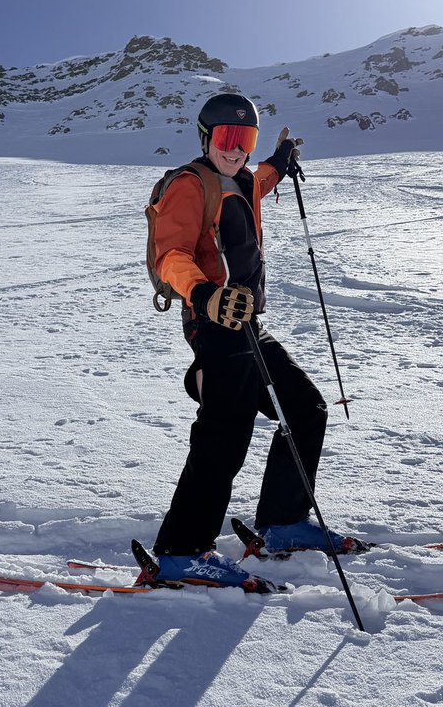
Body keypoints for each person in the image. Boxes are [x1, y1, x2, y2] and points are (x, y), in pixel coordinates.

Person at [149, 91, 351, 589]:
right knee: (225, 431)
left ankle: (282, 523)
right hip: (213, 322)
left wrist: (280, 161)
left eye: (245, 138)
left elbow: (261, 176)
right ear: (205, 138)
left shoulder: (242, 178)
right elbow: (170, 254)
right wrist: (204, 292)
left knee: (305, 407)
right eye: (226, 137)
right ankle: (180, 551)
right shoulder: (190, 185)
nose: (236, 148)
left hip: (248, 325)